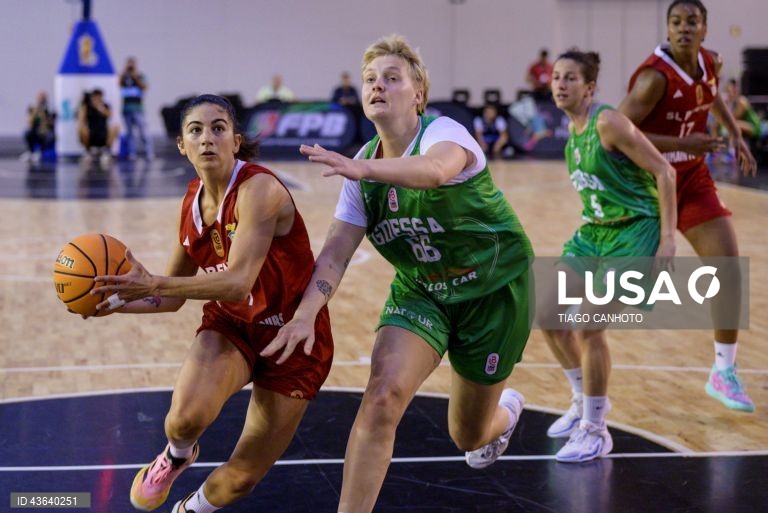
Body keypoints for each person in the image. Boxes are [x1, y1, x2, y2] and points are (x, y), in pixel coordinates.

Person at [261, 34, 533, 513]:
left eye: (391, 78)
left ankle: (505, 413)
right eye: (370, 79)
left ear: (418, 93)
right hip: (422, 292)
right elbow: (336, 255)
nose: (377, 86)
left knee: (468, 435)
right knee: (382, 396)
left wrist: (364, 170)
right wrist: (306, 313)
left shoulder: (445, 134)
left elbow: (432, 171)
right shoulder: (361, 171)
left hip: (494, 292)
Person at [89, 94, 334, 513]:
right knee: (182, 421)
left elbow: (238, 282)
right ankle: (177, 455)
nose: (208, 138)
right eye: (195, 130)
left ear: (236, 141)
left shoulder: (260, 189)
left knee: (241, 479)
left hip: (294, 338)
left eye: (218, 128)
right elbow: (168, 299)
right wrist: (111, 302)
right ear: (182, 146)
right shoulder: (191, 203)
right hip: (233, 327)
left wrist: (153, 280)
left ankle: (190, 510)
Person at [618, 0, 756, 412]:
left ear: (704, 28)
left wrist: (735, 134)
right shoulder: (652, 80)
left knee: (728, 268)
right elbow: (620, 134)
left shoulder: (710, 63)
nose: (683, 28)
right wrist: (683, 143)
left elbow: (712, 98)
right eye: (675, 22)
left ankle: (723, 371)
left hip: (691, 179)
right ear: (668, 28)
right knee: (610, 298)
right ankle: (580, 388)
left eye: (691, 22)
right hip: (644, 184)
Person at [541, 49, 677, 462]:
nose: (561, 84)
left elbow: (665, 171)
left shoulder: (608, 122)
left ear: (590, 88)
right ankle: (584, 400)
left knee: (587, 322)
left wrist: (668, 239)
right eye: (556, 77)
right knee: (548, 315)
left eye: (570, 78)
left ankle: (596, 430)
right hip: (595, 233)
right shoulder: (573, 128)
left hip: (635, 231)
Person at [119, 57, 154, 160]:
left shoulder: (140, 76)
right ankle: (132, 153)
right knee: (129, 133)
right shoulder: (124, 77)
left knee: (143, 131)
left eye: (132, 64)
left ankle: (149, 152)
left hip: (138, 109)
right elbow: (118, 85)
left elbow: (145, 87)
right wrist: (124, 72)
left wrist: (135, 77)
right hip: (126, 109)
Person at [77, 88, 119, 166]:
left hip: (103, 133)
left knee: (115, 127)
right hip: (91, 134)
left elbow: (109, 115)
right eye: (95, 97)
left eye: (99, 97)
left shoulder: (105, 106)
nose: (97, 99)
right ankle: (88, 151)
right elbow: (80, 120)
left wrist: (100, 108)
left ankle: (107, 150)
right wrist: (84, 105)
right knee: (81, 129)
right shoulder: (87, 107)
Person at [21, 91, 55, 163]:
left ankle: (40, 152)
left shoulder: (50, 109)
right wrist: (35, 112)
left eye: (43, 98)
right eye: (39, 98)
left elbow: (52, 123)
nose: (41, 100)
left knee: (49, 136)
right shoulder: (33, 108)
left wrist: (46, 116)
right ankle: (30, 152)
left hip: (46, 131)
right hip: (35, 131)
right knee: (27, 133)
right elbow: (30, 123)